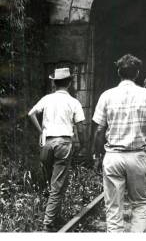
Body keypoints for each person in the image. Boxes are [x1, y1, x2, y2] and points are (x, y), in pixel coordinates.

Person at [92, 54, 146, 232]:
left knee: (114, 208)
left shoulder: (107, 96)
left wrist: (97, 156)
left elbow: (99, 130)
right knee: (140, 204)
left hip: (113, 157)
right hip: (137, 156)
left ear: (118, 72)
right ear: (137, 73)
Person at [28, 67, 87, 232]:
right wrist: (82, 145)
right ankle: (48, 224)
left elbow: (31, 114)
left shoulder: (47, 99)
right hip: (63, 144)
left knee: (51, 182)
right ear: (69, 82)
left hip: (47, 143)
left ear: (54, 82)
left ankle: (54, 216)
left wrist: (41, 131)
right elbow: (81, 129)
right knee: (57, 185)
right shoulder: (74, 102)